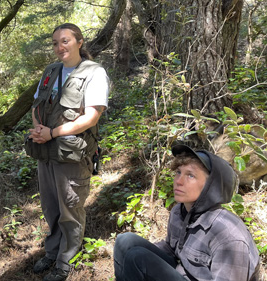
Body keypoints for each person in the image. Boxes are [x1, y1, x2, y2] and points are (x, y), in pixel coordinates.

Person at [26, 23, 109, 281]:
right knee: (50, 206)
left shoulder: (94, 73)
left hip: (72, 154)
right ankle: (52, 251)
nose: (59, 47)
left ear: (79, 42)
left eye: (65, 41)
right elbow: (36, 106)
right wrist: (38, 129)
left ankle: (67, 259)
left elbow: (91, 118)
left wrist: (52, 133)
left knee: (70, 208)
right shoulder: (51, 71)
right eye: (55, 43)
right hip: (45, 152)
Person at [113, 144, 260, 281]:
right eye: (178, 172)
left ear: (211, 186)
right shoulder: (179, 211)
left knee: (137, 257)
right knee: (125, 241)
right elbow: (170, 250)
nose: (178, 181)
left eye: (190, 175)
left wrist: (141, 261)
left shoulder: (228, 237)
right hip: (182, 272)